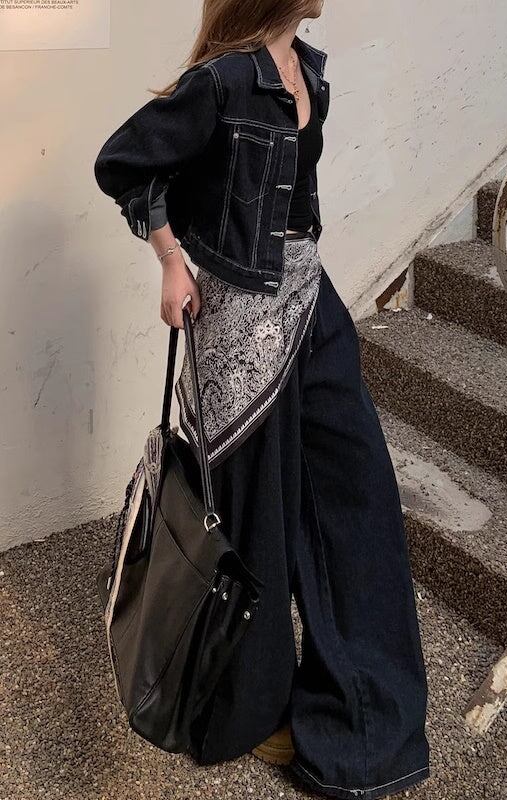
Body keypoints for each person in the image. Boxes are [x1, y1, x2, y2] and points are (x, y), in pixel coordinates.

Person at [92, 2, 431, 798]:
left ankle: (361, 726)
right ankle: (249, 709)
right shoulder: (221, 82)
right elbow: (124, 164)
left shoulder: (309, 71)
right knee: (257, 524)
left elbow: (293, 204)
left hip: (313, 305)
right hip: (240, 325)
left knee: (357, 498)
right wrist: (170, 260)